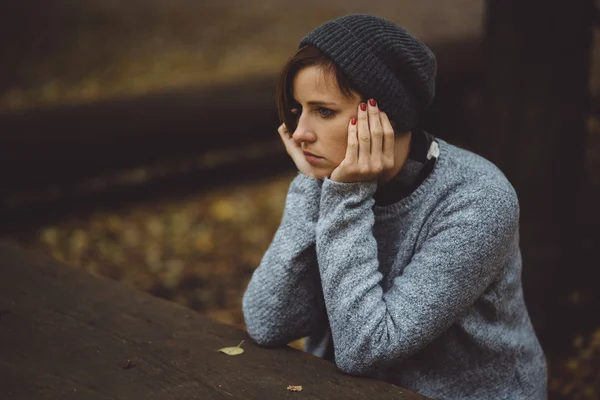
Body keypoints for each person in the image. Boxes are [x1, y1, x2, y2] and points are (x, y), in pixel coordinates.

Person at [242, 14, 547, 400]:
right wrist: (312, 186)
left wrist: (343, 195)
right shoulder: (332, 184)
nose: (300, 132)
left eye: (323, 111)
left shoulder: (477, 200)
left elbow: (365, 349)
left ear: (383, 115)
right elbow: (268, 322)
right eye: (296, 109)